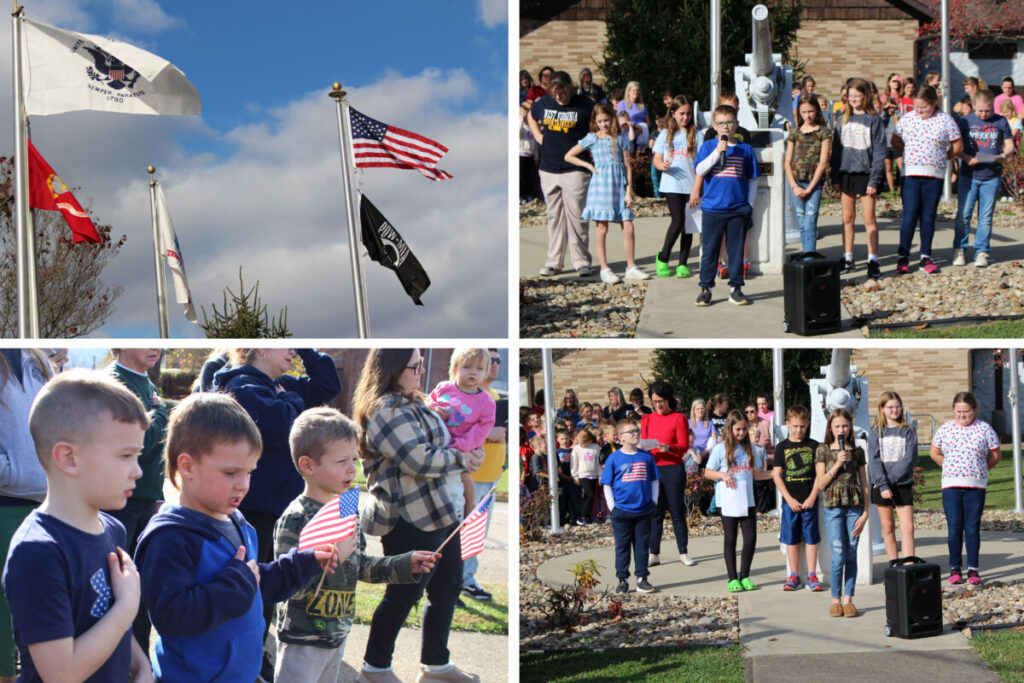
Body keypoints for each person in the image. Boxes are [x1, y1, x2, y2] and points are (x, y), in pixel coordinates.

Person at [134, 392, 336, 682]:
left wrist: (300, 565)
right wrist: (236, 584)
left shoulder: (237, 520)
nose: (243, 485)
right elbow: (171, 616)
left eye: (249, 473)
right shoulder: (170, 537)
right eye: (231, 473)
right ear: (188, 466)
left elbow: (253, 582)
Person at [3, 370, 152, 682]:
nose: (137, 471)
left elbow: (109, 622)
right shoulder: (37, 552)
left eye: (137, 456)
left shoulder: (113, 529)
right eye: (126, 455)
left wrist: (141, 665)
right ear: (69, 458)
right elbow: (61, 674)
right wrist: (128, 604)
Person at [273, 407, 438, 683]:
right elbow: (287, 585)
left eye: (354, 459)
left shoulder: (346, 508)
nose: (352, 468)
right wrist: (331, 556)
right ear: (308, 465)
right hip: (303, 639)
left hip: (337, 635)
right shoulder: (296, 517)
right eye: (341, 461)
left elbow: (360, 566)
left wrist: (404, 564)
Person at [354, 349, 484, 683]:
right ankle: (375, 667)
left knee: (447, 588)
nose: (420, 371)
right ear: (393, 370)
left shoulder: (415, 402)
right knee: (404, 594)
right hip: (408, 518)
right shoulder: (384, 410)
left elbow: (442, 447)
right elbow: (418, 460)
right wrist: (461, 459)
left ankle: (435, 665)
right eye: (414, 366)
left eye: (421, 364)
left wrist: (468, 453)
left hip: (441, 511)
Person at [215, 347, 341, 679]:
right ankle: (246, 658)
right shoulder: (242, 385)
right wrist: (292, 403)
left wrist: (306, 350)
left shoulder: (281, 385)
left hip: (278, 510)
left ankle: (256, 654)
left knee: (269, 591)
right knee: (254, 586)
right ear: (259, 347)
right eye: (285, 343)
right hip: (254, 510)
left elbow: (327, 386)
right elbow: (280, 425)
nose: (290, 351)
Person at [104, 348, 168, 654]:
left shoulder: (149, 385)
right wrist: (162, 413)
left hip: (147, 503)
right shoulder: (115, 383)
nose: (154, 346)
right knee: (116, 586)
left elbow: (159, 449)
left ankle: (139, 659)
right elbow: (139, 442)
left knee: (142, 587)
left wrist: (158, 495)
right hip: (122, 503)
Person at [0, 349, 54, 682]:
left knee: (42, 601)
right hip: (5, 505)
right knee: (4, 607)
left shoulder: (39, 359)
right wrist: (12, 472)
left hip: (47, 505)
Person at [564, 102, 650, 283]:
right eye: (600, 121)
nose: (604, 124)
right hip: (601, 187)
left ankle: (631, 266)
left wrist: (628, 192)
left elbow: (627, 166)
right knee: (602, 227)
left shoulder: (621, 138)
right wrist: (588, 165)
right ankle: (604, 268)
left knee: (628, 225)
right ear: (595, 122)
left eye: (607, 120)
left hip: (619, 187)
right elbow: (569, 155)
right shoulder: (592, 139)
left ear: (613, 119)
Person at [530, 71, 597, 278]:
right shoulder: (543, 103)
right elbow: (531, 116)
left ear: (570, 87)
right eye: (555, 93)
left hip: (576, 168)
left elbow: (599, 125)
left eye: (563, 92)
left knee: (577, 216)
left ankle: (582, 262)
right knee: (554, 217)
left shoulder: (585, 105)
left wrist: (590, 145)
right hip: (549, 168)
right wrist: (539, 136)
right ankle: (554, 262)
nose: (559, 97)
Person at [930, 392, 1001, 586]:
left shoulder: (984, 429)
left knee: (972, 527)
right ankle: (954, 567)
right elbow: (934, 452)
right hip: (951, 486)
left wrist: (983, 468)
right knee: (954, 528)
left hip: (975, 486)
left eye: (966, 411)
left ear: (974, 410)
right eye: (958, 411)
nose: (962, 415)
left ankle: (972, 568)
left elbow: (995, 454)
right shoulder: (945, 429)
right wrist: (948, 466)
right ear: (953, 410)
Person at [890, 85, 962, 274]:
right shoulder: (908, 119)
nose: (920, 111)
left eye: (924, 107)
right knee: (909, 215)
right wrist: (907, 153)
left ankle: (925, 256)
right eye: (917, 107)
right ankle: (903, 256)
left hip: (934, 176)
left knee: (928, 216)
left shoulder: (945, 120)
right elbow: (895, 140)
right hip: (911, 175)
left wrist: (942, 157)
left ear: (934, 103)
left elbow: (958, 146)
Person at [694, 104, 761, 306]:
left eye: (729, 122)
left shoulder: (745, 149)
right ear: (714, 126)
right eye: (721, 123)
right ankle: (705, 288)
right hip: (713, 209)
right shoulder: (708, 147)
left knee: (736, 250)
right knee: (710, 250)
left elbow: (753, 178)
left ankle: (736, 288)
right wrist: (717, 152)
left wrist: (748, 204)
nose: (725, 127)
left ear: (736, 125)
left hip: (737, 209)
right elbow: (699, 169)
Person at [703, 410, 772, 592]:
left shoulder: (750, 448)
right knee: (731, 538)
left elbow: (757, 474)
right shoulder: (720, 448)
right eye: (737, 429)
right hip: (728, 500)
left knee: (750, 538)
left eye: (744, 429)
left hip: (747, 500)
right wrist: (723, 475)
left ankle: (745, 575)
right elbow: (708, 472)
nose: (741, 433)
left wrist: (775, 473)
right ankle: (732, 578)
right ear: (730, 428)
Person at [428, 347, 497, 528]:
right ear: (454, 369)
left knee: (465, 477)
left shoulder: (486, 401)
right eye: (467, 367)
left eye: (479, 369)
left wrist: (461, 445)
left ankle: (469, 506)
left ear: (485, 373)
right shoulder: (444, 387)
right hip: (437, 442)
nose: (473, 372)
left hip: (463, 446)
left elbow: (482, 429)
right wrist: (432, 407)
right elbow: (428, 401)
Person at [814, 408, 869, 617]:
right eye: (837, 426)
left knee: (851, 553)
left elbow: (864, 484)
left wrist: (865, 513)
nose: (841, 430)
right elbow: (820, 484)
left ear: (850, 427)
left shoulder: (857, 451)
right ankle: (835, 599)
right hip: (833, 508)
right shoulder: (823, 450)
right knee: (838, 555)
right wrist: (837, 463)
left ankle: (849, 599)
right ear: (831, 427)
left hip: (854, 508)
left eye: (845, 426)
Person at [461, 349, 506, 602]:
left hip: (491, 475)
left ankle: (467, 579)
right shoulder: (470, 396)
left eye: (498, 360)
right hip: (472, 475)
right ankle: (460, 580)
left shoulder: (497, 396)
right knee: (466, 531)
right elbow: (460, 430)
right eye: (489, 360)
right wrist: (491, 434)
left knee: (477, 534)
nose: (494, 365)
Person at [952, 90, 1015, 268]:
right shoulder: (965, 121)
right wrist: (966, 158)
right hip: (969, 175)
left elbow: (1010, 144)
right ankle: (959, 249)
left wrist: (1004, 154)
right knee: (964, 215)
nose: (984, 114)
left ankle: (981, 251)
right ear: (973, 106)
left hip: (992, 175)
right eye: (980, 110)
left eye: (987, 111)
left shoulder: (1000, 121)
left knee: (985, 216)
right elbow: (956, 147)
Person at [831, 78, 887, 278]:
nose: (853, 99)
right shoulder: (841, 120)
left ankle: (873, 260)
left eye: (857, 95)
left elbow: (880, 152)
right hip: (846, 173)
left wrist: (875, 180)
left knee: (869, 218)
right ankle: (848, 257)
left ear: (866, 96)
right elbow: (836, 151)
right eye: (850, 95)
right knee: (847, 219)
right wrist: (835, 176)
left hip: (866, 174)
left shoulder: (874, 120)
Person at [601, 419, 659, 594]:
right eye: (631, 431)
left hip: (643, 510)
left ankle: (642, 579)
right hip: (622, 511)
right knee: (622, 547)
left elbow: (654, 480)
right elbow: (607, 484)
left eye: (636, 430)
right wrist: (612, 506)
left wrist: (654, 501)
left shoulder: (646, 457)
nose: (635, 433)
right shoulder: (614, 458)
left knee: (642, 546)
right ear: (620, 437)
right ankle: (622, 579)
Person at [641, 381, 695, 568]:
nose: (658, 405)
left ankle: (683, 552)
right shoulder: (647, 419)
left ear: (669, 399)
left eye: (662, 401)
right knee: (655, 513)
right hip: (654, 468)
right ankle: (653, 552)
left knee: (676, 512)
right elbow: (643, 442)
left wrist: (668, 447)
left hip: (672, 468)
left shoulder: (679, 418)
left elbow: (683, 446)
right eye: (655, 401)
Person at [772, 405, 821, 592]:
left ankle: (811, 574)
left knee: (811, 539)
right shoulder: (781, 447)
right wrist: (789, 499)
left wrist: (812, 497)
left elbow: (819, 474)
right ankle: (793, 575)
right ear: (787, 425)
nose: (798, 430)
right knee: (791, 539)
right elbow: (777, 475)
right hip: (789, 503)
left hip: (810, 501)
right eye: (794, 426)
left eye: (802, 426)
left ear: (807, 424)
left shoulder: (814, 446)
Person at [867, 391, 918, 562]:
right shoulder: (875, 433)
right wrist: (882, 485)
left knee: (908, 527)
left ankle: (909, 563)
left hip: (901, 484)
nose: (894, 410)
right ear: (882, 409)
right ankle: (894, 563)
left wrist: (889, 482)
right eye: (890, 407)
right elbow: (874, 461)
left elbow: (909, 459)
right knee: (888, 527)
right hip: (881, 487)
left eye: (897, 406)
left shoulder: (908, 431)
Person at [653, 96, 700, 278]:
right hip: (672, 184)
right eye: (681, 113)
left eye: (688, 114)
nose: (685, 117)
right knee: (678, 221)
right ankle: (663, 257)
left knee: (688, 225)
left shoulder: (697, 134)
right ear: (673, 113)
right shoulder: (665, 134)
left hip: (691, 184)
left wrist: (698, 187)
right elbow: (656, 157)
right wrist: (661, 165)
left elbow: (701, 162)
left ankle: (682, 263)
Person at [785, 94, 832, 254]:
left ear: (817, 111)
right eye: (804, 112)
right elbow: (787, 163)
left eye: (811, 111)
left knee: (810, 221)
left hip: (814, 184)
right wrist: (794, 186)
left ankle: (809, 257)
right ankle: (807, 254)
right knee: (802, 221)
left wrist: (810, 188)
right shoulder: (794, 133)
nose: (807, 115)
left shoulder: (823, 133)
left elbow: (823, 162)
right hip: (797, 183)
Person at [571, 428, 602, 524]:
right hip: (583, 475)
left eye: (584, 442)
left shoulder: (596, 447)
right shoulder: (577, 449)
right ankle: (583, 516)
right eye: (579, 442)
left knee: (592, 497)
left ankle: (590, 516)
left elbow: (598, 463)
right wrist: (575, 476)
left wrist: (600, 476)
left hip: (594, 475)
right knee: (589, 494)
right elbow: (574, 463)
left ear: (590, 440)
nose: (581, 444)